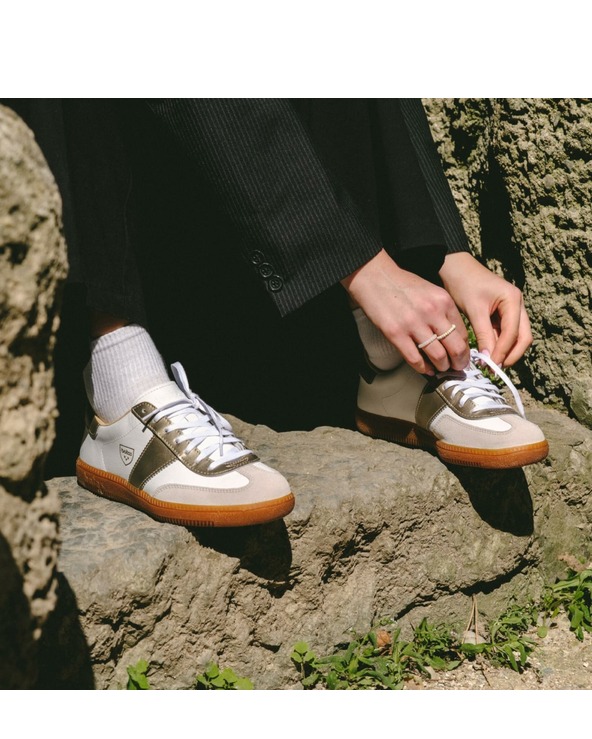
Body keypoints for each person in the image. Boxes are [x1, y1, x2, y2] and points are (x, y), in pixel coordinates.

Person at [4, 99, 548, 528]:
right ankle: (120, 392)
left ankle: (387, 364)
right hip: (120, 247)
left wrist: (442, 249)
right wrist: (363, 268)